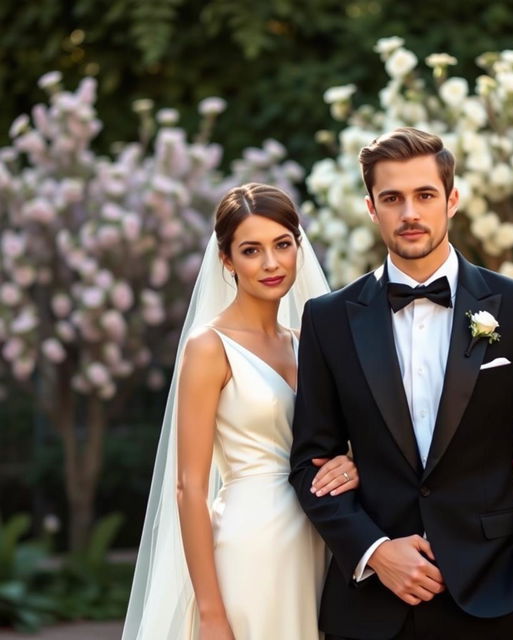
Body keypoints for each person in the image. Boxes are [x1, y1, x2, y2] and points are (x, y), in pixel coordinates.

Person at [289, 127, 513, 640]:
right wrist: (374, 551)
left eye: (424, 195)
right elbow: (309, 466)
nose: (409, 212)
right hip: (368, 608)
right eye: (392, 198)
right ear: (371, 207)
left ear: (452, 200)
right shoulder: (328, 318)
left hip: (490, 598)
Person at [122, 183, 360, 640]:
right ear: (227, 260)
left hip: (322, 540)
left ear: (299, 247)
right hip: (251, 545)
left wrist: (353, 463)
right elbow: (189, 487)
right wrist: (211, 614)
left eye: (282, 245)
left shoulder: (309, 342)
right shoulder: (209, 348)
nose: (271, 263)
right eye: (251, 250)